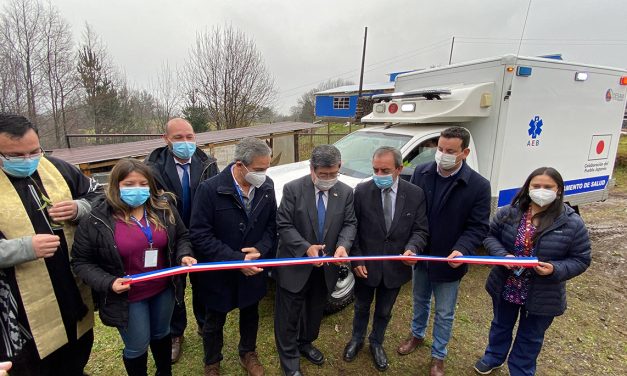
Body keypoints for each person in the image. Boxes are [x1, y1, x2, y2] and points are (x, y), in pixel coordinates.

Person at [71, 158, 196, 376]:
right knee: (137, 345)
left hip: (163, 289)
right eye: (129, 184)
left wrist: (184, 255)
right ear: (116, 185)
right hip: (128, 297)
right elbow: (81, 261)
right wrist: (108, 283)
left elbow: (182, 236)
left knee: (162, 333)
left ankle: (164, 372)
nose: (137, 189)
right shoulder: (96, 219)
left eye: (143, 183)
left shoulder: (163, 208)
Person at [0, 113, 99, 376]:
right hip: (20, 304)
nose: (28, 160)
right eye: (16, 156)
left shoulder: (55, 167)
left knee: (76, 348)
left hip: (70, 286)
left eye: (34, 151)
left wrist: (80, 208)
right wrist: (24, 248)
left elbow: (99, 195)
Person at [473, 167, 591, 376]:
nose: (541, 190)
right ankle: (493, 356)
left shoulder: (572, 222)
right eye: (536, 186)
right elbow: (489, 236)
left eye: (548, 187)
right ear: (528, 188)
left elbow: (581, 259)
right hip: (506, 284)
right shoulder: (509, 213)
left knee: (531, 336)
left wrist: (555, 269)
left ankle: (521, 370)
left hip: (543, 292)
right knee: (500, 325)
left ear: (559, 190)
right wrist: (503, 255)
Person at [397, 126, 491, 376]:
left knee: (445, 311)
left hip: (450, 260)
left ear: (465, 152)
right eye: (440, 149)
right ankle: (416, 335)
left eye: (450, 151)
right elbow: (414, 214)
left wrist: (462, 250)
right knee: (419, 299)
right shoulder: (422, 172)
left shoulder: (478, 186)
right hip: (422, 256)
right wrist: (411, 246)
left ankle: (438, 355)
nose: (443, 154)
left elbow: (478, 226)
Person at [189, 137, 277, 376]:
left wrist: (261, 249)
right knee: (214, 321)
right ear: (240, 165)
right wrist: (235, 260)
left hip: (253, 269)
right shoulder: (209, 190)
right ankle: (212, 362)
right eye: (259, 169)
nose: (264, 174)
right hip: (220, 270)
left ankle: (248, 352)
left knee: (250, 313)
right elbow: (199, 234)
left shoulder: (266, 187)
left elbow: (272, 227)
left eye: (266, 168)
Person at [343, 146, 429, 371]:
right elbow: (354, 228)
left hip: (395, 268)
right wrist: (357, 260)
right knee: (361, 306)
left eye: (385, 170)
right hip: (366, 267)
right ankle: (357, 339)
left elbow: (420, 230)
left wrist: (412, 249)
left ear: (399, 169)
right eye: (375, 170)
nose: (379, 175)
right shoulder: (361, 191)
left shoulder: (415, 194)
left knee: (384, 310)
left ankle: (376, 342)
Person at [274, 144, 357, 376]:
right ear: (312, 169)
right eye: (323, 174)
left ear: (339, 167)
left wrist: (343, 246)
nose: (328, 179)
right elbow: (283, 224)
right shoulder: (293, 189)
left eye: (333, 174)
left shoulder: (346, 192)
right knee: (288, 315)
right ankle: (290, 362)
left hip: (326, 268)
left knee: (314, 310)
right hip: (295, 266)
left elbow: (350, 223)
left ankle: (305, 342)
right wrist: (305, 248)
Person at [144, 117, 218, 363]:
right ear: (166, 140)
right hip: (170, 237)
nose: (185, 142)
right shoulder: (152, 168)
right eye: (178, 138)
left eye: (189, 137)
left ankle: (203, 322)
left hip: (201, 234)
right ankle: (176, 333)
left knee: (203, 283)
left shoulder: (207, 163)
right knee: (175, 286)